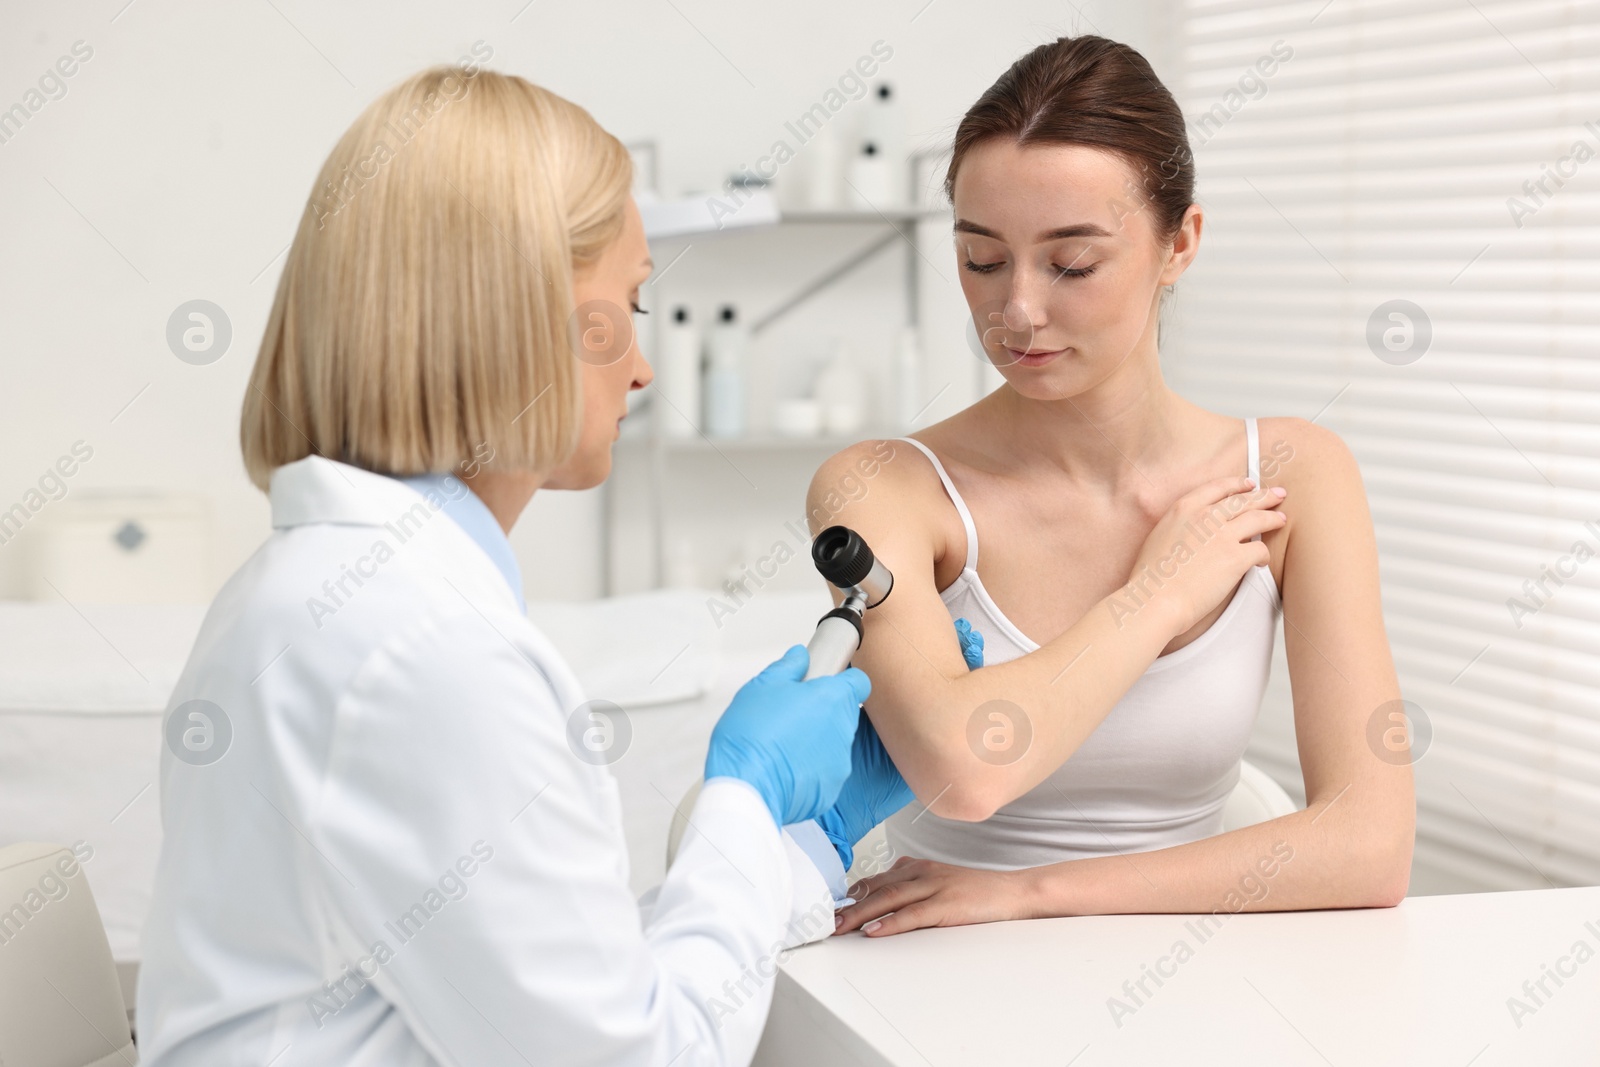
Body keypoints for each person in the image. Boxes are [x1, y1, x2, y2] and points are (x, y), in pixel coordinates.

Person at [135, 65, 924, 1065]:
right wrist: (745, 794)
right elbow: (629, 1053)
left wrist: (798, 844)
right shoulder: (419, 648)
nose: (642, 364)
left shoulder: (320, 593)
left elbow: (540, 981)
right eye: (628, 306)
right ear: (511, 316)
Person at [822, 35, 1416, 937]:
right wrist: (1158, 593)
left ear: (1180, 243)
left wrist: (1032, 891)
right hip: (928, 956)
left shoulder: (1295, 478)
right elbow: (964, 771)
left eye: (1072, 263)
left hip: (1179, 959)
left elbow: (1369, 843)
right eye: (983, 259)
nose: (1017, 309)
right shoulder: (885, 488)